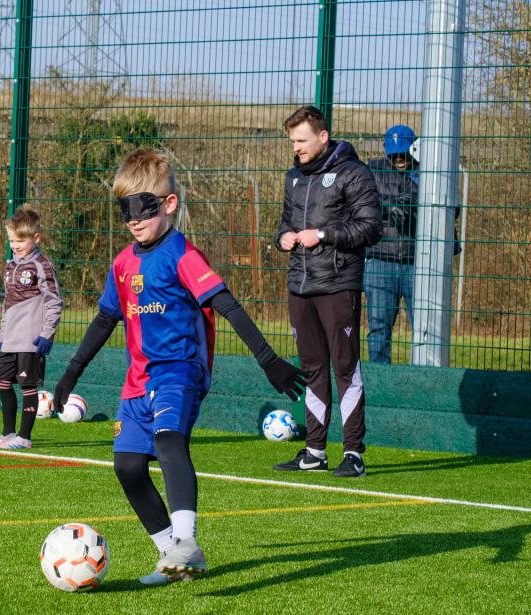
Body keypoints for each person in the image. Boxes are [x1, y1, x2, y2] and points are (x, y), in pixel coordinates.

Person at [52, 148, 306, 586]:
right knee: (127, 467)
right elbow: (105, 320)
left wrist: (268, 360)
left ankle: (186, 541)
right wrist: (71, 373)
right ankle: (173, 557)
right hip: (138, 381)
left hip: (181, 372)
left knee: (169, 441)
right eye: (125, 210)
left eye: (143, 207)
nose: (133, 220)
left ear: (169, 204)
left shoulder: (183, 254)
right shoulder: (122, 263)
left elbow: (227, 305)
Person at [273, 105, 382, 478]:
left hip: (338, 285)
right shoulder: (293, 177)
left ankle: (353, 453)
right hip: (299, 285)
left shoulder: (354, 173)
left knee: (345, 368)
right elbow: (284, 223)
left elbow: (370, 227)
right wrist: (283, 238)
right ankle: (314, 451)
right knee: (312, 368)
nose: (296, 148)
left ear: (323, 137)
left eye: (302, 141)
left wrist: (323, 234)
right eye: (293, 141)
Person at [0, 205, 63, 450]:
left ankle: (24, 436)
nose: (15, 245)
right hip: (10, 338)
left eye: (20, 241)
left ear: (36, 238)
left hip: (31, 339)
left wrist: (47, 334)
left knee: (28, 387)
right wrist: (2, 334)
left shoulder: (42, 264)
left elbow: (54, 301)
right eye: (12, 240)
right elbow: (7, 304)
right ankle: (8, 433)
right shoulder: (9, 266)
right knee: (2, 384)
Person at [365, 124, 419, 364]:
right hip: (379, 259)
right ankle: (379, 377)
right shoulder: (372, 170)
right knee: (378, 327)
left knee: (424, 328)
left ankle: (426, 376)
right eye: (394, 154)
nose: (399, 159)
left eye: (403, 153)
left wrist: (409, 202)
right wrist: (388, 205)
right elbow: (359, 199)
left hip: (417, 262)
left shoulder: (428, 172)